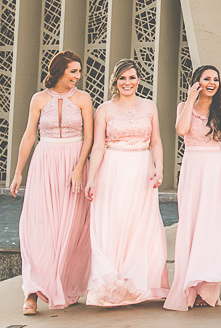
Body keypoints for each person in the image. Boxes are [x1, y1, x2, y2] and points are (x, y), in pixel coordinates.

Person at [9, 50, 93, 314]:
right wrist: (18, 172)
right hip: (44, 163)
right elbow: (28, 136)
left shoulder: (83, 99)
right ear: (59, 71)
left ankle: (63, 285)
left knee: (69, 228)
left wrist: (79, 168)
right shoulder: (38, 99)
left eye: (79, 72)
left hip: (73, 164)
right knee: (38, 229)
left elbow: (89, 138)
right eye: (73, 71)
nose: (77, 77)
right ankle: (32, 292)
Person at [166, 65, 221, 310]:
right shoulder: (184, 107)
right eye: (206, 79)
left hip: (215, 168)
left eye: (215, 79)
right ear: (197, 82)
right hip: (193, 168)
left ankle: (208, 290)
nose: (212, 82)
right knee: (192, 224)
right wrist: (192, 98)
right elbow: (181, 130)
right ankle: (189, 286)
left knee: (211, 226)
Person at [84, 60, 169, 307]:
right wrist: (91, 178)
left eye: (132, 78)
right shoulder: (105, 110)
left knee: (142, 223)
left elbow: (156, 141)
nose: (127, 83)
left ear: (138, 80)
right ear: (115, 81)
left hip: (141, 170)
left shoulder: (150, 107)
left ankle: (140, 284)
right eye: (122, 78)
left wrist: (159, 167)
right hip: (112, 170)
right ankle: (113, 284)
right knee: (114, 222)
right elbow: (98, 146)